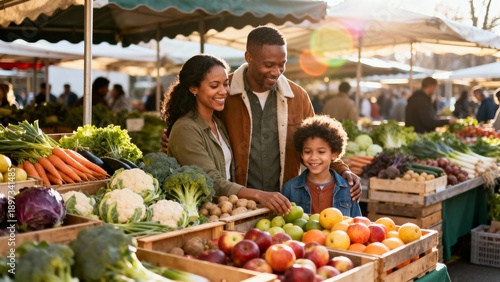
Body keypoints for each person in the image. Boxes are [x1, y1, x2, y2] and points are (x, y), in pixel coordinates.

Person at [161, 26, 361, 214]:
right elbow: (196, 132)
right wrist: (174, 140)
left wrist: (343, 170)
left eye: (281, 65)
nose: (276, 72)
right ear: (249, 57)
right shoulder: (225, 93)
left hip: (286, 203)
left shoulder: (297, 97)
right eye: (268, 65)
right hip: (236, 207)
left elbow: (319, 143)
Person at [163, 54, 252, 204]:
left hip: (222, 208)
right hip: (200, 212)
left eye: (226, 84)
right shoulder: (186, 128)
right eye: (214, 86)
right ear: (193, 88)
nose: (223, 91)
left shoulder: (218, 123)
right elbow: (210, 180)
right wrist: (258, 195)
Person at [281, 115, 362, 216]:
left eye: (321, 152)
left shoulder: (348, 189)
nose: (313, 157)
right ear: (301, 154)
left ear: (334, 154)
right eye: (307, 152)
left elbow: (358, 222)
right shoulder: (290, 188)